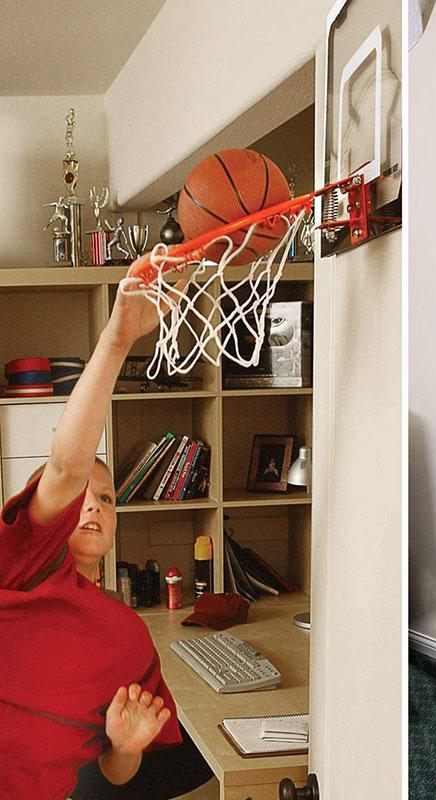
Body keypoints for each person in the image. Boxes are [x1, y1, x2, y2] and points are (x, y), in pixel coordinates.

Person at [0, 257, 209, 798]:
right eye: (81, 500)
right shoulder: (22, 565)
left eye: (108, 499)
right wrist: (117, 341)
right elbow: (68, 467)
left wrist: (125, 745)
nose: (92, 508)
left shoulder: (130, 639)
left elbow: (117, 773)